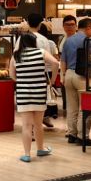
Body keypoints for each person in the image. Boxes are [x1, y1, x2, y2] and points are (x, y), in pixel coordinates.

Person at [9, 32, 58, 163]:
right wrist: (52, 80)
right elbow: (55, 63)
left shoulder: (16, 55)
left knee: (26, 125)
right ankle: (40, 149)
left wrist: (21, 80)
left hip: (23, 93)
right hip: (39, 92)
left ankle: (27, 154)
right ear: (33, 42)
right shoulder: (41, 52)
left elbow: (11, 74)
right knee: (38, 124)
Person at [60, 17, 91, 146]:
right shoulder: (89, 40)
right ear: (88, 28)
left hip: (68, 74)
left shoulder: (68, 40)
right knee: (86, 107)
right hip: (82, 76)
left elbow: (63, 61)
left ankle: (72, 134)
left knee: (71, 107)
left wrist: (63, 75)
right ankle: (83, 136)